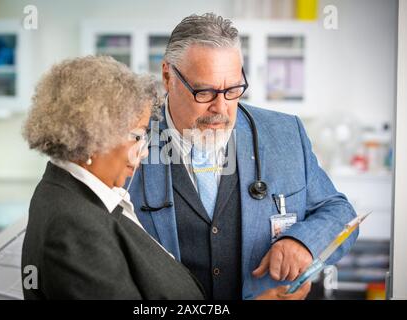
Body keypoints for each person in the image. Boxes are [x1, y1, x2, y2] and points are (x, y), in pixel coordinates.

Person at [21, 55, 310, 299]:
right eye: (136, 136)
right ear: (93, 139)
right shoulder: (74, 227)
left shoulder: (73, 193)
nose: (144, 152)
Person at [127, 13, 359, 300]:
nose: (221, 108)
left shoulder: (285, 134)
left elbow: (340, 214)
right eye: (205, 92)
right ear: (167, 77)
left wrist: (304, 242)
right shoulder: (128, 142)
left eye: (233, 89)